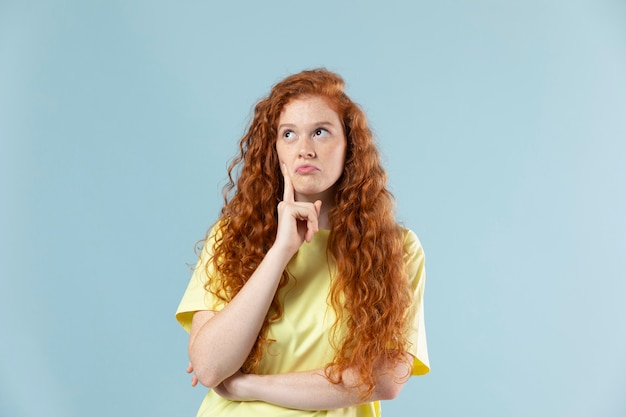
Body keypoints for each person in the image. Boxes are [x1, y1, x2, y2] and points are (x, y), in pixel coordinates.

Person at [175, 68, 429, 416]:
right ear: (274, 149)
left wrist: (248, 385)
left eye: (321, 132)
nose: (304, 150)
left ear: (349, 145)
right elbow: (208, 366)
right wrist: (280, 251)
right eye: (289, 134)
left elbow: (385, 378)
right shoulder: (231, 238)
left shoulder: (397, 249)